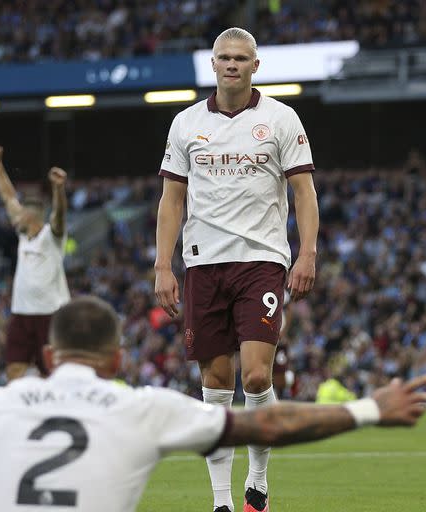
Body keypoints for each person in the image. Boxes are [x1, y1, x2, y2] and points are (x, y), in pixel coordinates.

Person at [0, 296, 426, 512]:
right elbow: (267, 417)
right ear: (117, 359)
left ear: (49, 356)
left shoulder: (0, 400)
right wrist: (369, 409)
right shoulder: (144, 406)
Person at [154, 27, 319, 512]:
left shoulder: (281, 119)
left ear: (255, 66)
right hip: (203, 263)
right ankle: (221, 502)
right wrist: (164, 264)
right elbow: (172, 200)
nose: (232, 65)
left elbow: (304, 192)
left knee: (254, 376)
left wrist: (307, 251)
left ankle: (259, 481)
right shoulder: (186, 124)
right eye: (224, 57)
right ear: (213, 64)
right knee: (216, 383)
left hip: (262, 260)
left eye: (241, 58)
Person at [0, 144, 70, 380]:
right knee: (14, 369)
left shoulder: (51, 237)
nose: (16, 217)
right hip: (22, 314)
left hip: (49, 314)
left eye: (21, 214)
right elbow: (7, 196)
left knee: (51, 373)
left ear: (31, 217)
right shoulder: (24, 237)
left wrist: (58, 189)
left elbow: (60, 215)